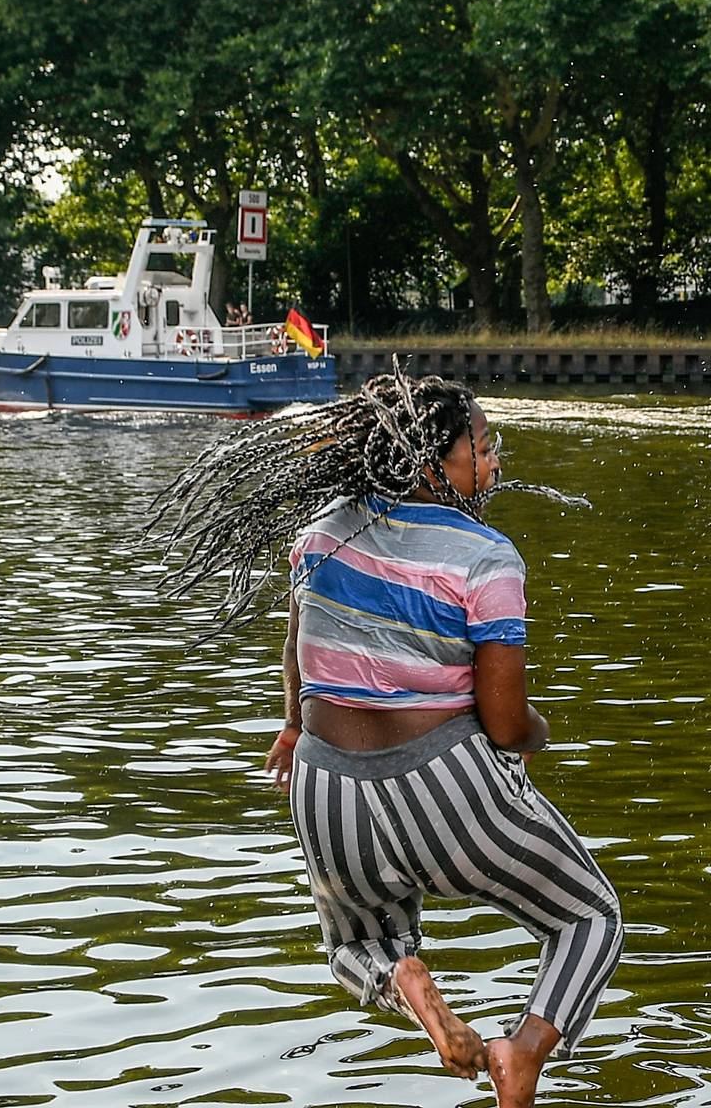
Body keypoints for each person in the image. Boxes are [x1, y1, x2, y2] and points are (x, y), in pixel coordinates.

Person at [145, 374, 616, 1108]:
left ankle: (406, 980)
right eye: (483, 450)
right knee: (590, 918)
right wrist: (538, 735)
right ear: (433, 464)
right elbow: (504, 721)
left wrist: (295, 727)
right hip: (448, 789)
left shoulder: (320, 534)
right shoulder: (487, 557)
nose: (494, 466)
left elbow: (296, 650)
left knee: (353, 948)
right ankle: (522, 1057)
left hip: (323, 786)